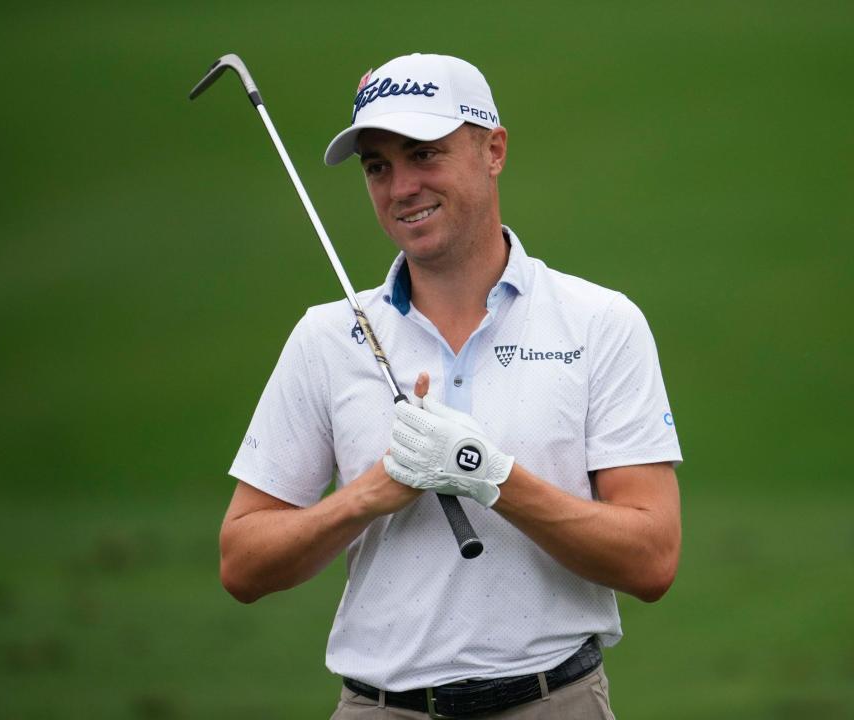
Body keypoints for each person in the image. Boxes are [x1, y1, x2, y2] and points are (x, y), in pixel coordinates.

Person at [222, 53, 682, 719]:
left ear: (492, 150)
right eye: (378, 166)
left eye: (423, 154)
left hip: (554, 702)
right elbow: (242, 562)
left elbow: (653, 558)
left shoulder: (599, 322)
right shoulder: (328, 337)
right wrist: (365, 498)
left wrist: (487, 473)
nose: (400, 185)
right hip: (379, 707)